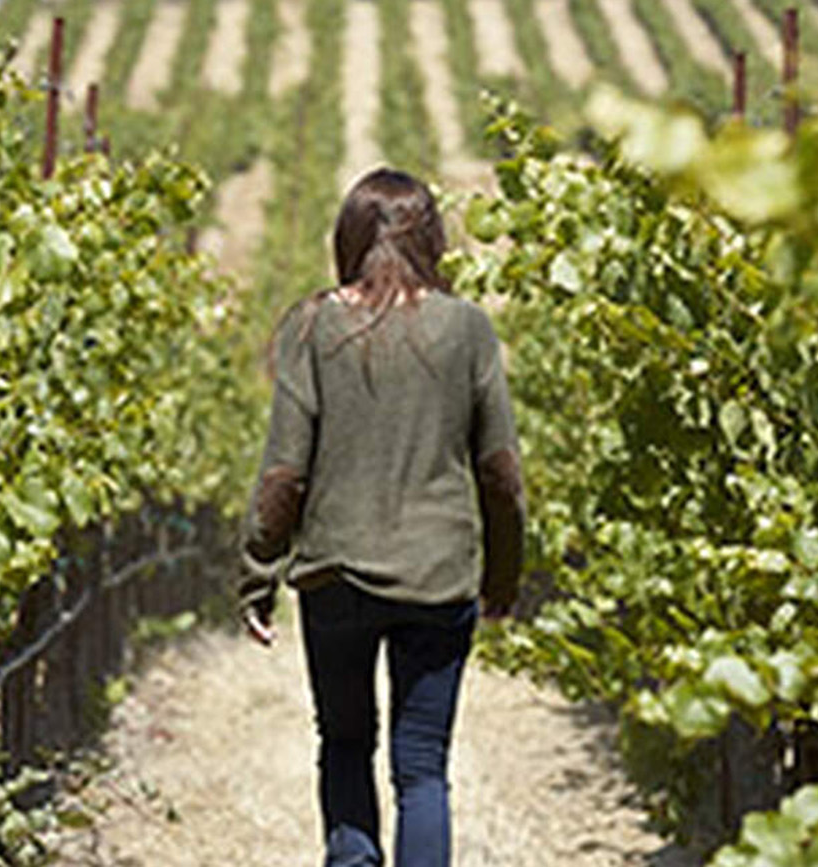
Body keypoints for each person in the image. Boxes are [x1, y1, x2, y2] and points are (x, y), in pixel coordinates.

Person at [237, 167, 526, 867]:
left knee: (343, 743)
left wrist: (257, 574)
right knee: (422, 766)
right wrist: (504, 575)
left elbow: (285, 471)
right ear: (432, 239)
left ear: (349, 238)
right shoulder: (467, 329)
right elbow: (501, 472)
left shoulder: (314, 326)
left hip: (336, 578)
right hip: (439, 577)